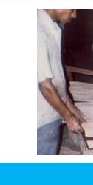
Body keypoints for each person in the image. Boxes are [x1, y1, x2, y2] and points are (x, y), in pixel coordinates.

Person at [37, 9, 85, 155]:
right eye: (72, 9)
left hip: (51, 110)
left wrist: (70, 106)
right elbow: (45, 85)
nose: (74, 15)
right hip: (43, 116)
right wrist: (68, 117)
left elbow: (56, 76)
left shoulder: (51, 28)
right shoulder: (38, 33)